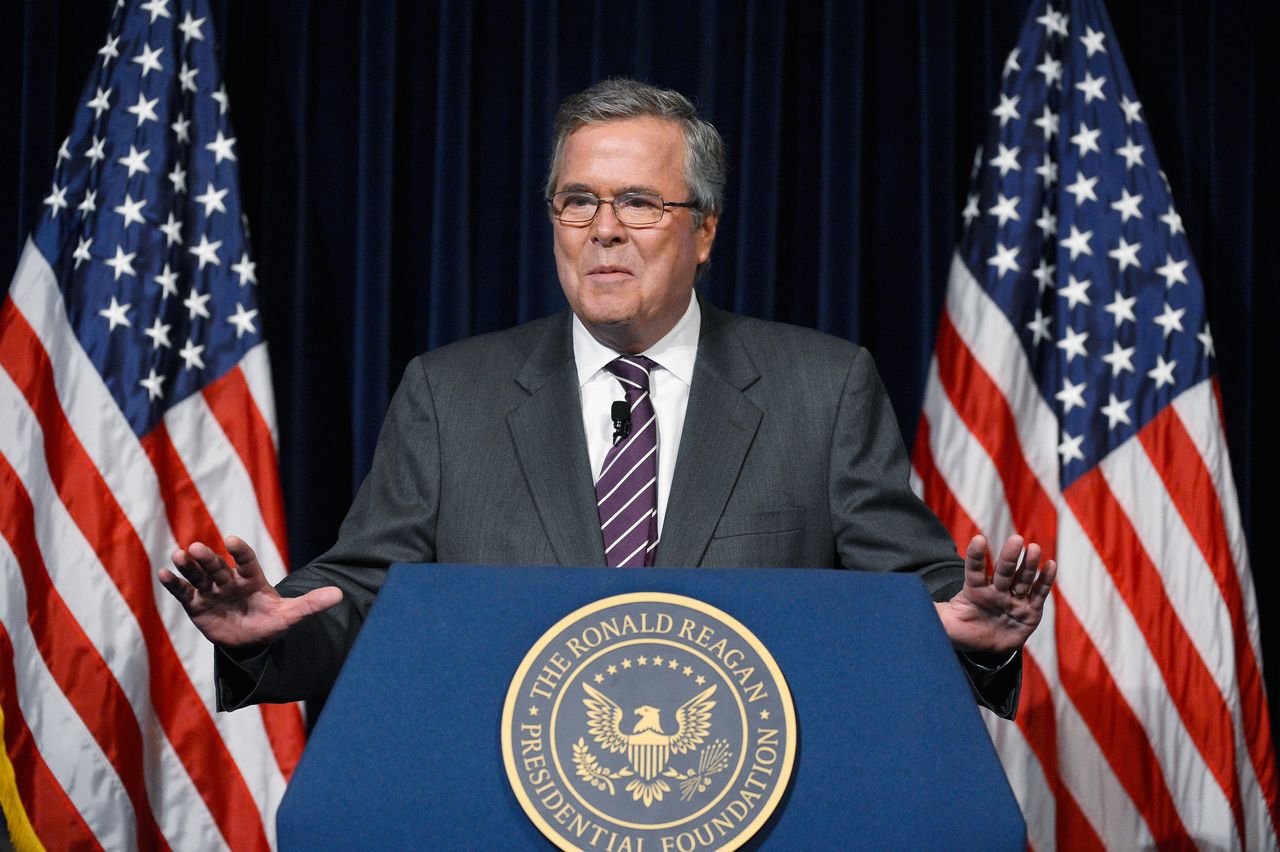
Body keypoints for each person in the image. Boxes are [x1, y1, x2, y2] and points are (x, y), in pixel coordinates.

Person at [159, 78, 1054, 718]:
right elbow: (362, 597)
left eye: (639, 202)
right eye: (577, 201)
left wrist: (979, 637)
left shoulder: (821, 388)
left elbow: (915, 594)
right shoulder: (452, 393)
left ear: (704, 230)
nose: (605, 230)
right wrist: (261, 634)